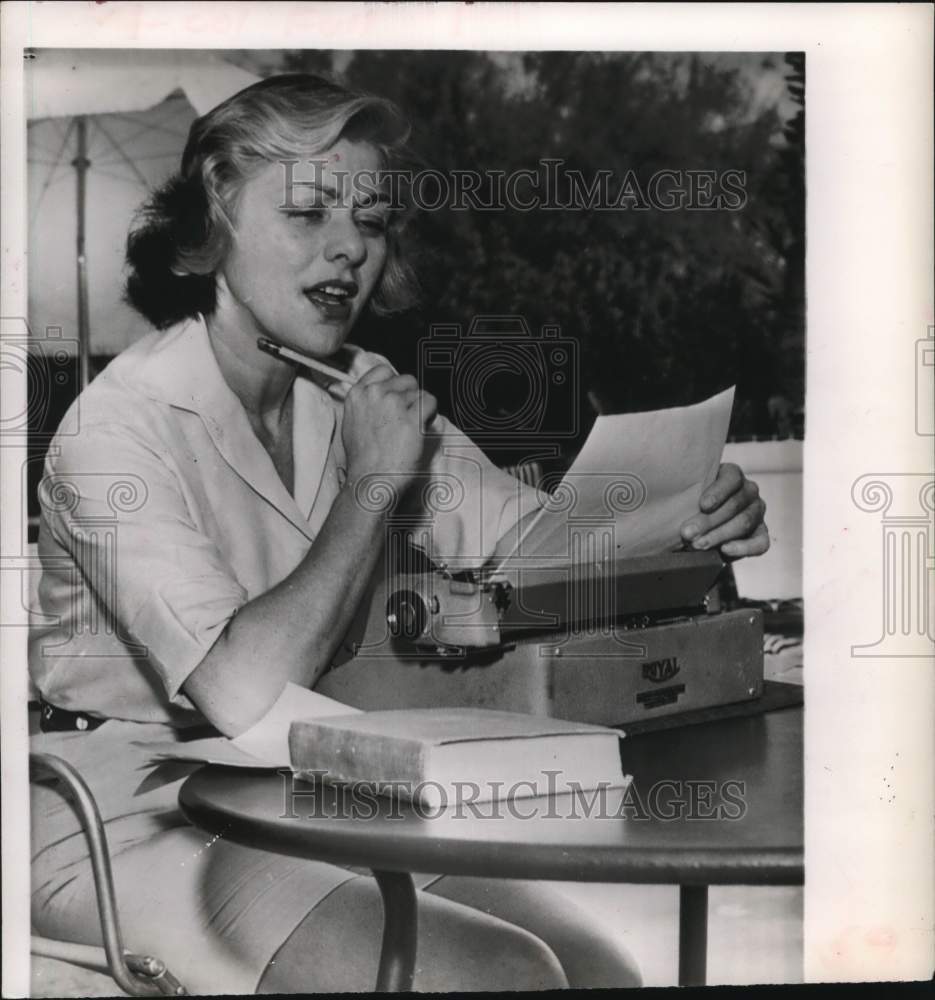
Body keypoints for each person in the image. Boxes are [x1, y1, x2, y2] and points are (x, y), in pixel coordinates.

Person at [29, 74, 769, 994]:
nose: (348, 248)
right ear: (214, 223)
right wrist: (375, 479)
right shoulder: (115, 430)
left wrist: (684, 517)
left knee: (601, 968)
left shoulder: (357, 384)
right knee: (498, 973)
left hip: (304, 785)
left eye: (372, 221)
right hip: (121, 811)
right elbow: (242, 693)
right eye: (306, 213)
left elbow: (539, 550)